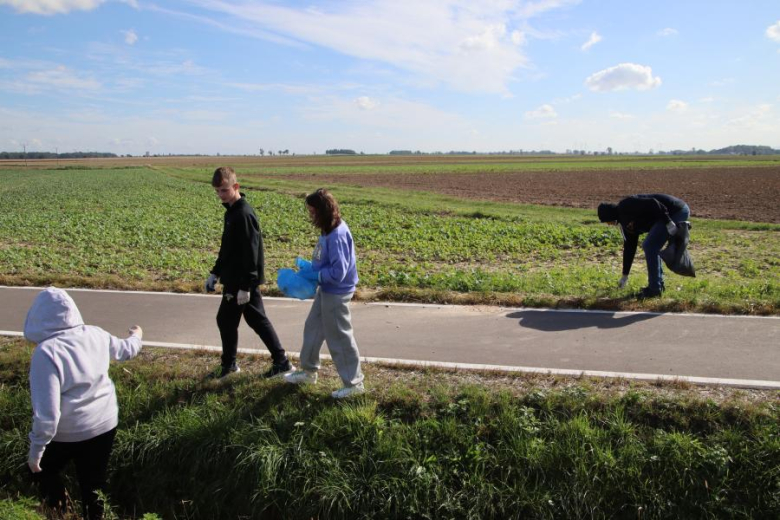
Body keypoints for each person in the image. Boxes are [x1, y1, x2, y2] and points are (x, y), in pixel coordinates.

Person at [24, 287, 143, 520]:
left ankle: (62, 512)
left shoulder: (46, 353)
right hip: (104, 423)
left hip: (68, 432)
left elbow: (47, 416)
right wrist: (137, 335)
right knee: (93, 483)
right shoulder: (94, 334)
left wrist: (36, 451)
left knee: (40, 471)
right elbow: (126, 350)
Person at [206, 166, 293, 378]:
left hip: (241, 281)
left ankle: (231, 366)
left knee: (229, 320)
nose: (220, 195)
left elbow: (252, 254)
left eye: (224, 190)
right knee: (252, 320)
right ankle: (280, 362)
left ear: (236, 186)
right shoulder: (232, 212)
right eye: (217, 191)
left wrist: (246, 286)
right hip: (236, 279)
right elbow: (227, 249)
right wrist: (215, 272)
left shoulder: (243, 214)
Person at [284, 188, 365, 398]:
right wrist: (311, 268)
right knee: (313, 328)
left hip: (336, 292)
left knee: (339, 336)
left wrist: (316, 275)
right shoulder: (328, 229)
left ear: (323, 211)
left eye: (313, 212)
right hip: (326, 289)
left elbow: (339, 272)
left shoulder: (337, 235)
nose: (311, 216)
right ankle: (309, 371)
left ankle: (354, 384)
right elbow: (326, 261)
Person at [597, 193, 690, 298]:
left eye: (607, 221)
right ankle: (658, 286)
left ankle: (654, 289)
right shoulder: (625, 225)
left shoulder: (626, 205)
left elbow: (653, 203)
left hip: (675, 210)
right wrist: (625, 275)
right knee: (651, 246)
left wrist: (668, 222)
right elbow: (630, 247)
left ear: (610, 215)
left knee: (649, 246)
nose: (608, 224)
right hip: (666, 215)